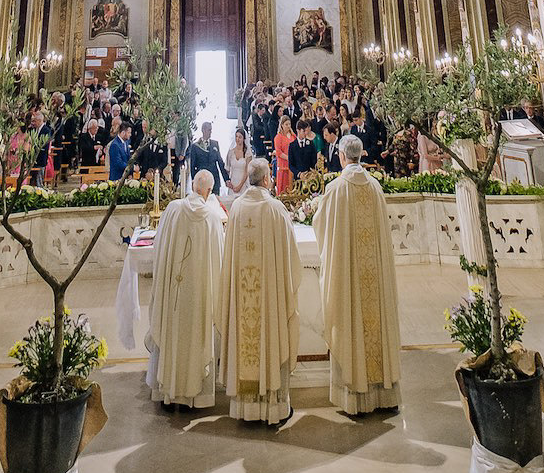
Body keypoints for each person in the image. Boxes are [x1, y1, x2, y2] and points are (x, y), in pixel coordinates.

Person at [312, 134, 402, 415]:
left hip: (350, 274)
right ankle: (383, 394)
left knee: (350, 318)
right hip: (375, 273)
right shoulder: (375, 187)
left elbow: (321, 226)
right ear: (361, 155)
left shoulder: (337, 189)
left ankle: (355, 395)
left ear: (341, 156)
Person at [217, 158, 301, 425]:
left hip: (244, 297)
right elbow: (291, 259)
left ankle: (245, 408)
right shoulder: (276, 209)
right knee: (270, 335)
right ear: (267, 180)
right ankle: (273, 408)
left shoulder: (237, 208)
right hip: (270, 298)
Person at [146, 171, 225, 410]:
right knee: (195, 338)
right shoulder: (211, 218)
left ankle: (167, 393)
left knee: (171, 334)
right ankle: (195, 397)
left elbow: (158, 248)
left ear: (192, 186)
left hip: (173, 295)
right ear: (209, 191)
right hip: (198, 297)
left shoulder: (171, 211)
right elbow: (218, 262)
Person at [187, 119, 230, 196]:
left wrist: (226, 179)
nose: (210, 132)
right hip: (202, 180)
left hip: (214, 179)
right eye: (209, 130)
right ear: (203, 130)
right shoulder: (195, 146)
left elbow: (220, 162)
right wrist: (194, 181)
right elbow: (192, 166)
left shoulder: (215, 144)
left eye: (211, 130)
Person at [273, 114, 295, 196]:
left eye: (289, 124)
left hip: (292, 165)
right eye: (286, 124)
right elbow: (278, 152)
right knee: (283, 187)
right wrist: (288, 158)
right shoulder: (278, 137)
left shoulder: (293, 135)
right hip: (283, 165)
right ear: (282, 125)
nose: (288, 126)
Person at [227, 127, 250, 196]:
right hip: (233, 181)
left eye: (240, 137)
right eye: (236, 136)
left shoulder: (247, 154)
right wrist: (228, 181)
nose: (237, 139)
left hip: (243, 182)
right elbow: (227, 168)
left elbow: (247, 172)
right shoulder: (231, 152)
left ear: (244, 139)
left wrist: (239, 186)